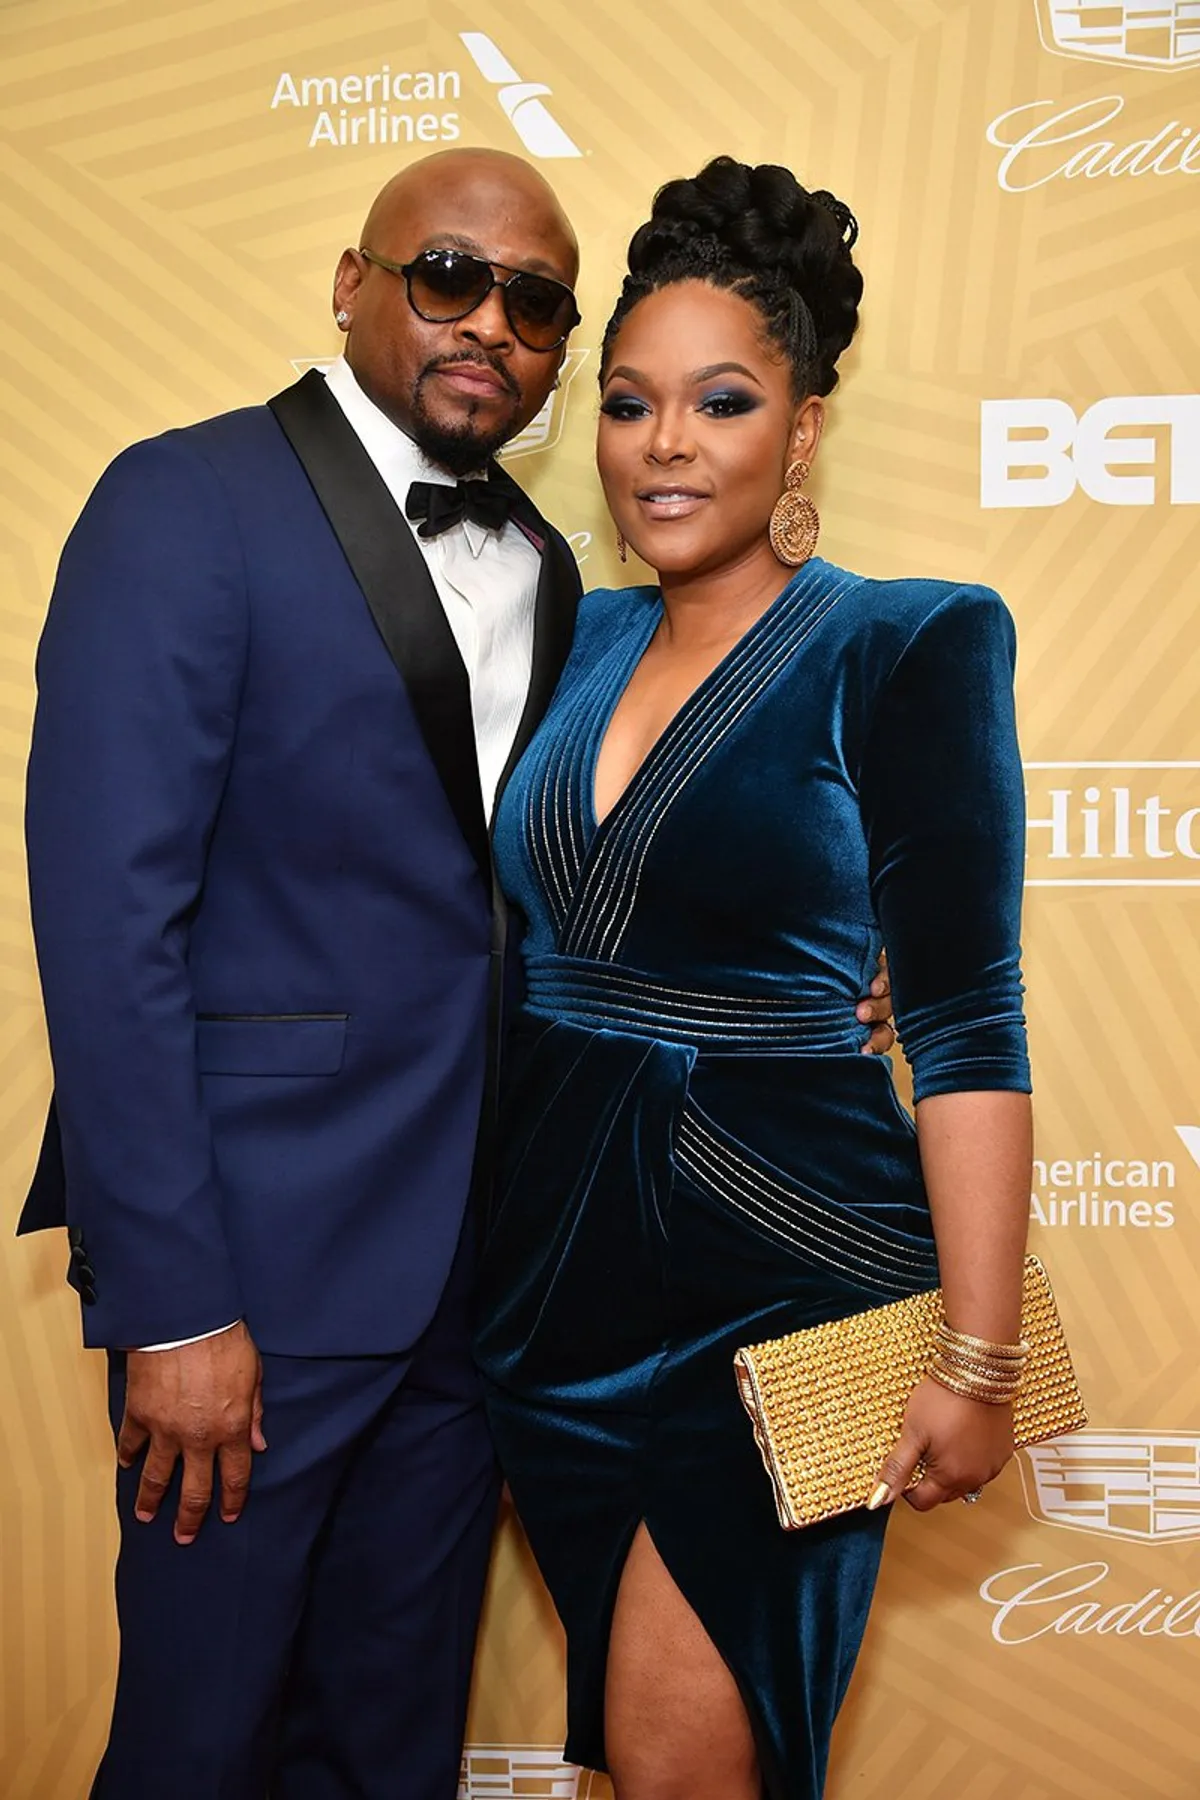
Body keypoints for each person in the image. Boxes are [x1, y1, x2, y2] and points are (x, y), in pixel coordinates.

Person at [18, 146, 590, 1800]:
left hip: (467, 1291)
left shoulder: (551, 570)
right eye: (448, 276)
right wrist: (177, 1299)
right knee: (201, 1746)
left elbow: (525, 895)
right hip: (248, 1283)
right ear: (352, 283)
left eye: (536, 303)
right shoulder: (181, 501)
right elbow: (108, 919)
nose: (491, 323)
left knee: (389, 1751)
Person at [475, 156, 1033, 1800]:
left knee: (679, 1752)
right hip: (552, 1275)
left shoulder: (910, 642)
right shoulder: (567, 641)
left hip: (794, 1271)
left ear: (801, 430)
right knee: (628, 1756)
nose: (665, 443)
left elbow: (967, 1023)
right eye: (631, 403)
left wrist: (979, 1358)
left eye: (722, 402)